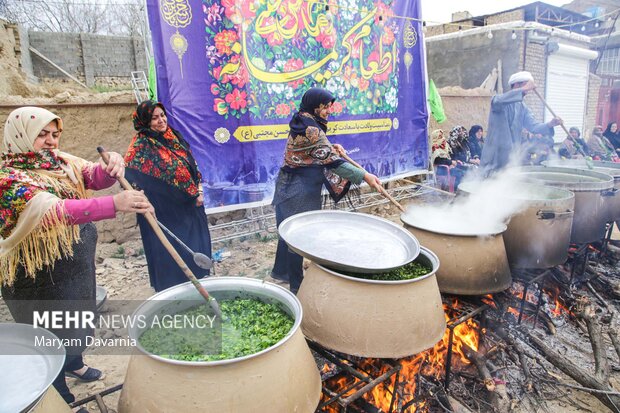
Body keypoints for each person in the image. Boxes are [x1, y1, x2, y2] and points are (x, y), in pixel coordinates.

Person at [0, 107, 152, 408]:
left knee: (76, 316)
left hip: (72, 265)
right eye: (42, 134)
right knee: (44, 332)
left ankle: (74, 363)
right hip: (36, 274)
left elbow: (90, 176)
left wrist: (110, 168)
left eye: (55, 134)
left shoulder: (60, 162)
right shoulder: (8, 179)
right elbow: (52, 212)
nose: (51, 141)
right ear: (20, 135)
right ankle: (59, 394)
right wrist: (114, 204)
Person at [270, 87, 381, 293]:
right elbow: (333, 163)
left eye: (330, 106)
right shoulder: (311, 129)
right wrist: (365, 176)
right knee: (297, 237)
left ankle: (281, 272)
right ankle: (296, 287)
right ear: (315, 106)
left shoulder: (301, 119)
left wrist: (332, 146)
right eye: (326, 107)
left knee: (287, 231)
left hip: (287, 186)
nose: (329, 110)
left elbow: (315, 150)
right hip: (298, 191)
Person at [124, 100, 212, 292]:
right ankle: (174, 295)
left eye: (162, 116)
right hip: (163, 212)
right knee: (169, 256)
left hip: (190, 207)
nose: (161, 121)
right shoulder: (139, 148)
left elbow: (192, 165)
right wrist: (145, 204)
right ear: (144, 121)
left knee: (196, 250)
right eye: (154, 118)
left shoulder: (174, 137)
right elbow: (132, 181)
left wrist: (198, 190)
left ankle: (200, 287)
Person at [480, 71, 562, 174]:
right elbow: (497, 101)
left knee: (505, 184)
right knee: (487, 182)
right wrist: (524, 88)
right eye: (524, 87)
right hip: (494, 153)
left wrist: (551, 124)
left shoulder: (522, 107)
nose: (526, 92)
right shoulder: (499, 101)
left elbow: (533, 126)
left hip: (511, 155)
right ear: (516, 85)